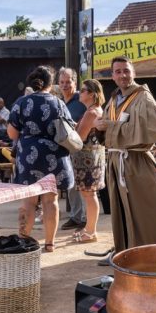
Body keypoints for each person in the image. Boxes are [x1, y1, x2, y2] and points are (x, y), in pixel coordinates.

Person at [94, 56, 156, 252]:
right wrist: (99, 127)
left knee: (148, 210)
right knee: (122, 211)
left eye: (126, 70)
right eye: (118, 71)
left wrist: (110, 127)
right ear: (112, 75)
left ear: (133, 73)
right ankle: (126, 250)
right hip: (116, 162)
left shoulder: (143, 97)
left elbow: (150, 127)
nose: (123, 75)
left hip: (137, 163)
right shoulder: (113, 98)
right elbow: (110, 128)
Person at [8, 65, 74, 253]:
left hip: (28, 156)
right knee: (50, 201)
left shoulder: (21, 102)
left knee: (29, 203)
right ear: (51, 83)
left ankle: (25, 240)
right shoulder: (59, 103)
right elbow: (69, 130)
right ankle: (50, 243)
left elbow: (12, 133)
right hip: (54, 155)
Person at [70, 79, 107, 243]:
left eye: (83, 90)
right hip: (93, 158)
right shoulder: (96, 110)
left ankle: (91, 232)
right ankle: (89, 229)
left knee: (89, 195)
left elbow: (80, 137)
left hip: (87, 159)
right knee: (90, 195)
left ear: (92, 94)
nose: (80, 92)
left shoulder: (91, 112)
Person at [58, 67, 87, 231]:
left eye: (68, 82)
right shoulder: (61, 102)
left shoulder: (82, 100)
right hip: (66, 149)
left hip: (82, 148)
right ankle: (76, 217)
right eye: (61, 82)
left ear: (75, 82)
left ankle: (85, 219)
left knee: (84, 185)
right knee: (71, 184)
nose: (65, 85)